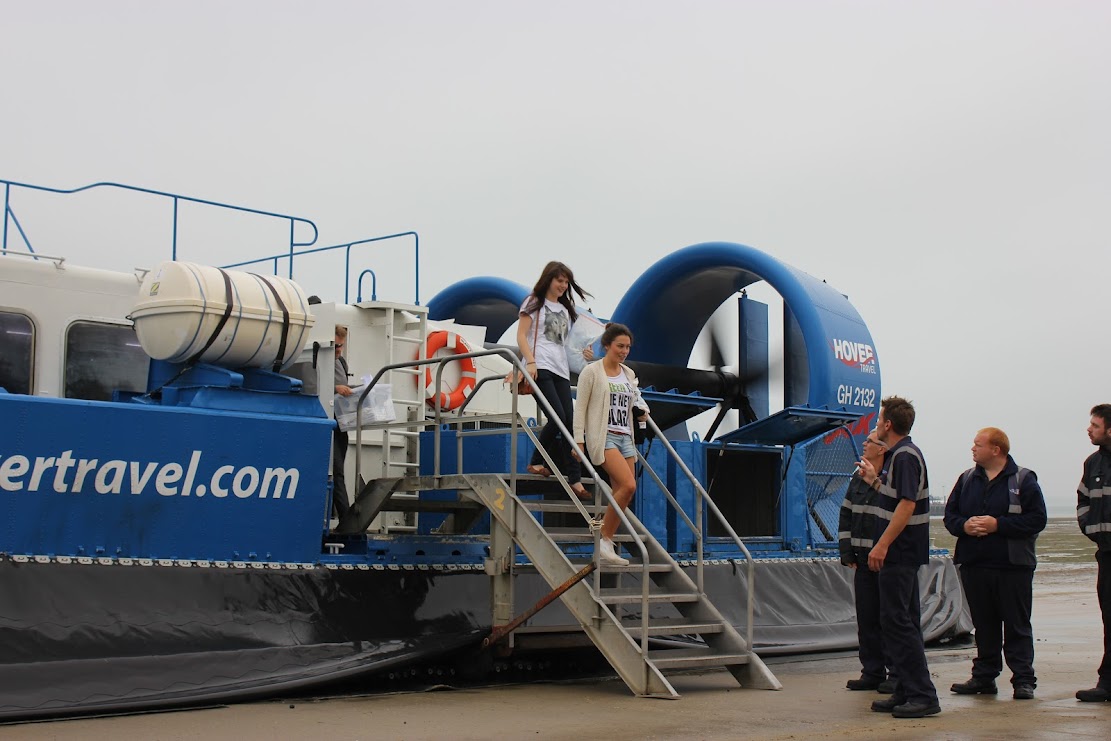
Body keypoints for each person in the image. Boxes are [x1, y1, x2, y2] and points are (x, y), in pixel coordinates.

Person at [943, 427, 1047, 700]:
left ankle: (1023, 680)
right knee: (984, 624)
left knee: (1017, 625)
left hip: (1013, 566)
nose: (973, 449)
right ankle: (984, 677)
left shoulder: (1023, 479)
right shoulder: (966, 479)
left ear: (996, 450)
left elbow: (1037, 520)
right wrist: (964, 526)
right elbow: (950, 516)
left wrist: (997, 524)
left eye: (978, 444)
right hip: (975, 564)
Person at [857, 396, 940, 718]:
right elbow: (896, 499)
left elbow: (907, 506)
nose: (876, 425)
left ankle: (922, 694)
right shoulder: (898, 457)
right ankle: (905, 690)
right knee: (898, 621)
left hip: (900, 553)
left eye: (879, 420)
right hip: (900, 552)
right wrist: (874, 481)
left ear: (889, 424)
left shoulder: (904, 456)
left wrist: (882, 546)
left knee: (899, 623)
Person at [571, 323, 648, 567]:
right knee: (628, 485)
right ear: (607, 345)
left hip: (626, 437)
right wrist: (579, 441)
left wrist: (643, 411)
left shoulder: (628, 373)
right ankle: (603, 537)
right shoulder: (592, 372)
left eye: (627, 347)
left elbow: (636, 398)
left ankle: (606, 540)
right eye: (619, 346)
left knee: (621, 493)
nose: (624, 351)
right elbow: (580, 408)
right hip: (603, 436)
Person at [517, 261, 592, 499]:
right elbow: (521, 335)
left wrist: (585, 354)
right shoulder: (534, 302)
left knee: (570, 421)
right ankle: (537, 461)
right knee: (557, 416)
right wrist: (530, 362)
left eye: (566, 282)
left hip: (560, 368)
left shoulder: (566, 309)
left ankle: (575, 479)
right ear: (549, 279)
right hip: (540, 365)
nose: (563, 285)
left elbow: (569, 344)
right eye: (560, 280)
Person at [839, 429, 897, 694]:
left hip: (887, 562)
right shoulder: (857, 477)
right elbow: (846, 515)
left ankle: (896, 672)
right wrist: (847, 552)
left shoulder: (892, 478)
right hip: (862, 562)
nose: (864, 444)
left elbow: (896, 509)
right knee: (867, 619)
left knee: (892, 619)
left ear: (882, 449)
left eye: (870, 442)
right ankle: (872, 671)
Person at [1075, 403, 1111, 702]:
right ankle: (1107, 681)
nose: (1089, 429)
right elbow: (1083, 499)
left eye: (1095, 425)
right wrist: (1091, 529)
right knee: (1109, 618)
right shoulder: (1093, 463)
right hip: (1106, 554)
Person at [332, 325, 353, 520]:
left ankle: (339, 514)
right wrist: (335, 387)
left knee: (338, 470)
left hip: (340, 423)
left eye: (341, 346)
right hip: (327, 423)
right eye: (336, 346)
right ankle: (346, 518)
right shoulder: (316, 360)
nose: (339, 350)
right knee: (336, 471)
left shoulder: (342, 362)